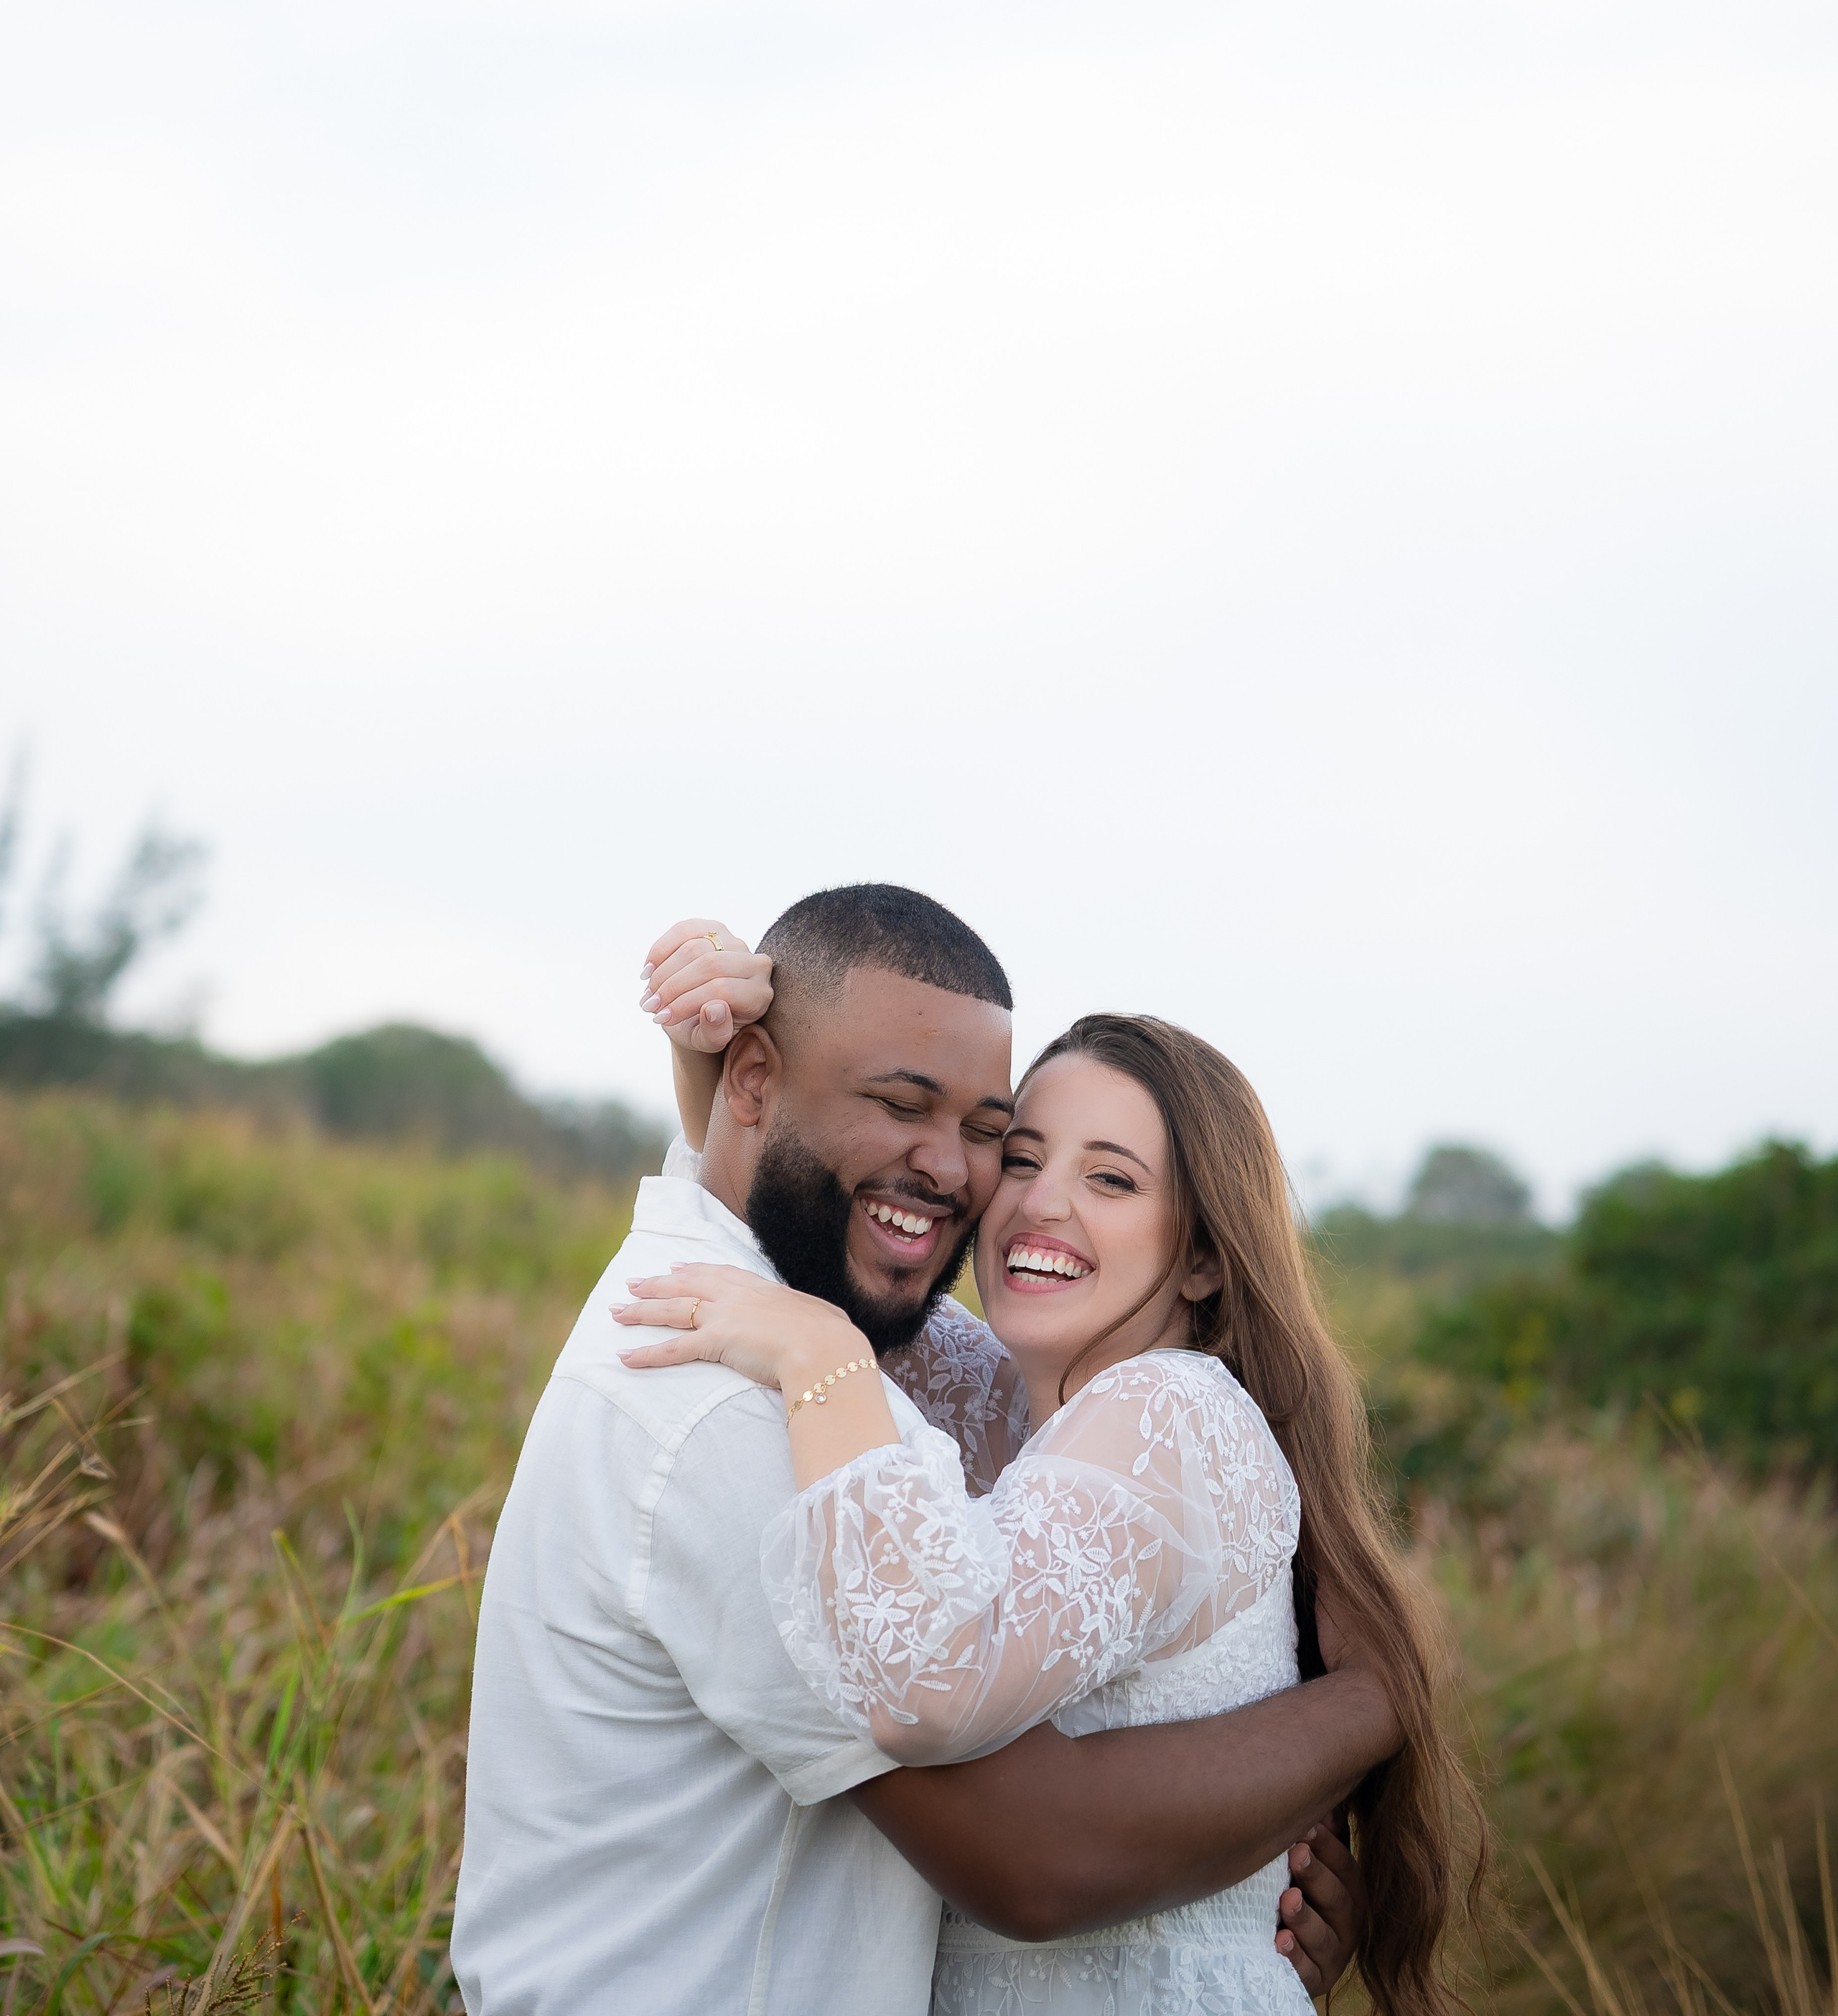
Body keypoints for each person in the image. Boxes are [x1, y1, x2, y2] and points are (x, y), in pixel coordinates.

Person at [452, 887, 1402, 2016]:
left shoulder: (836, 1358)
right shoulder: (755, 1405)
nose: (973, 1179)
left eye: (983, 1132)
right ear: (756, 1082)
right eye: (1027, 1154)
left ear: (1202, 1254)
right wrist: (1367, 1710)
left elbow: (799, 1204)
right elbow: (1031, 1856)